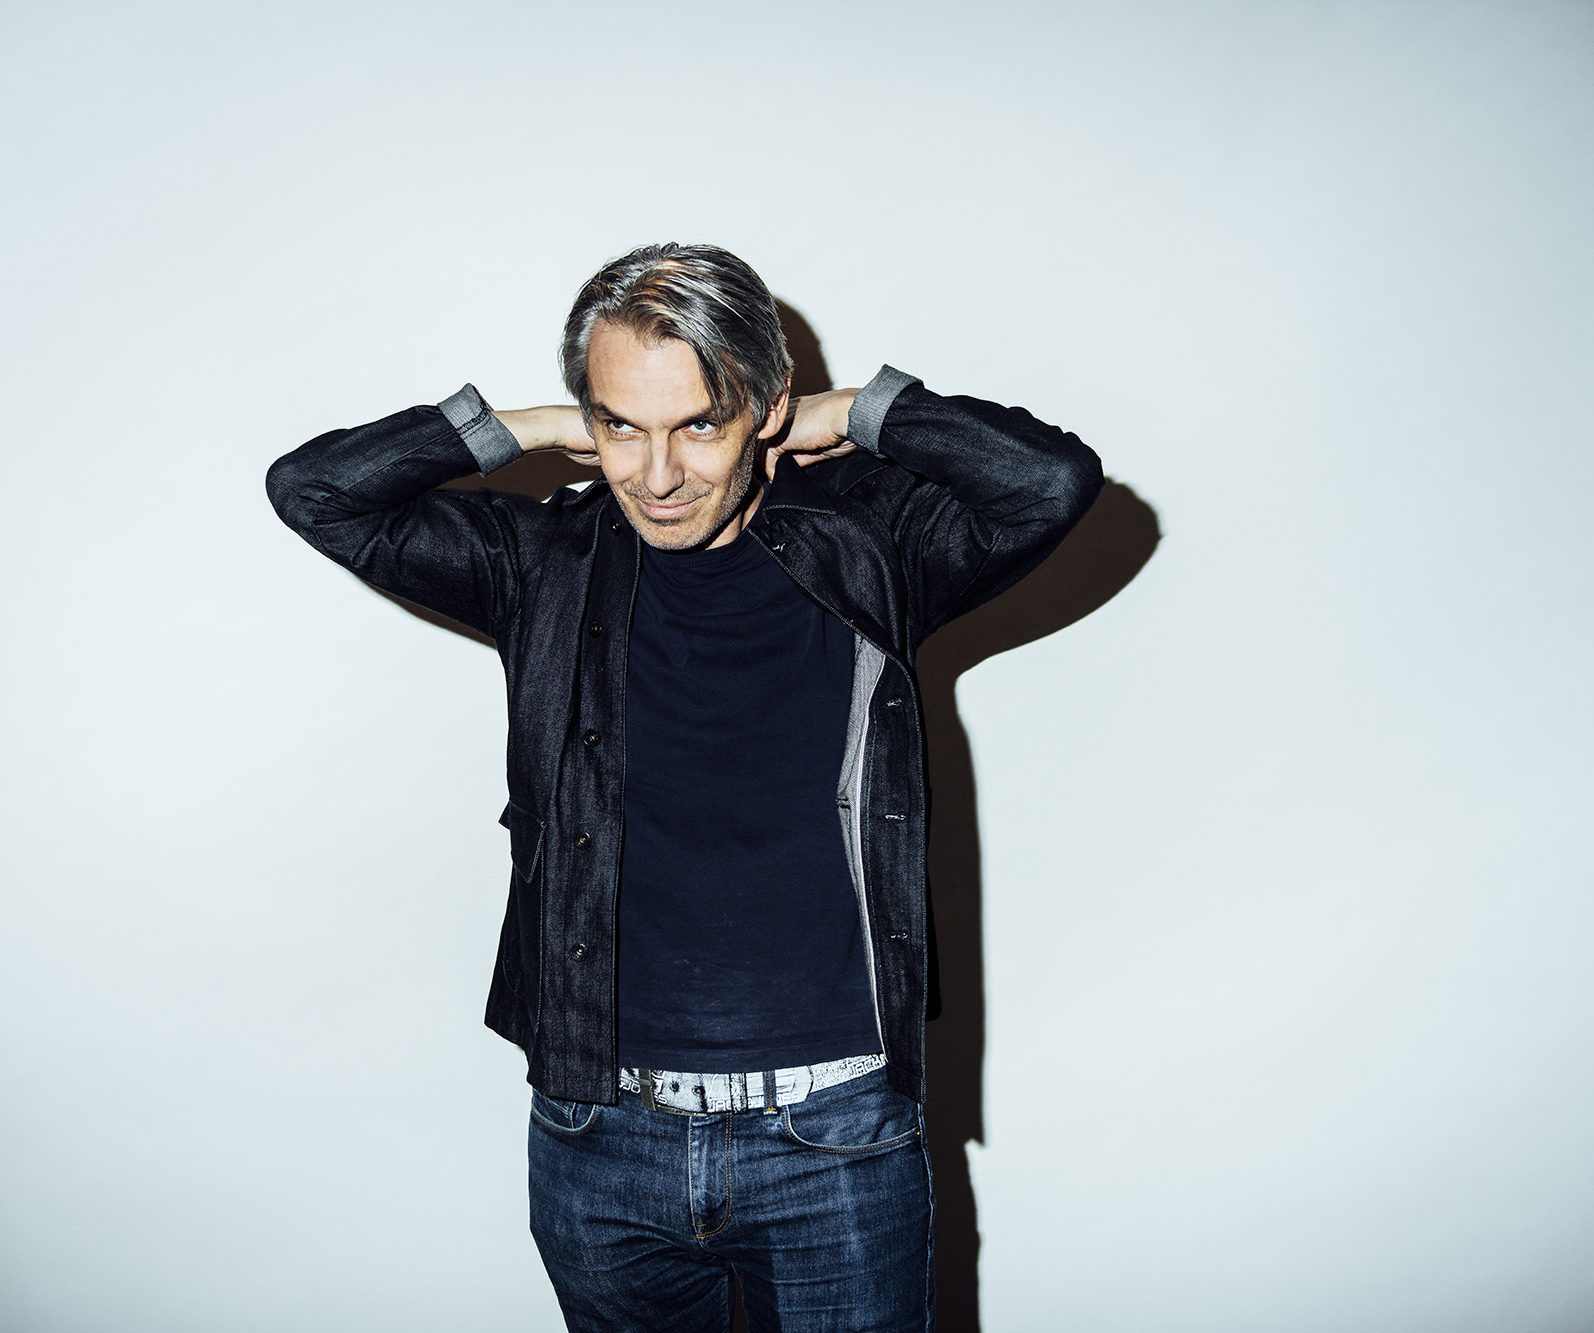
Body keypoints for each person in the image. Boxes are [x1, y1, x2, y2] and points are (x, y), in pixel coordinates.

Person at [266, 243, 1102, 1332]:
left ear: (763, 407)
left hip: (833, 1130)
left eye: (699, 424)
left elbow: (1049, 481)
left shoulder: (874, 545)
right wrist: (532, 425)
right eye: (622, 425)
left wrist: (854, 412)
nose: (657, 476)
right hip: (599, 1132)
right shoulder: (544, 562)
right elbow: (314, 490)